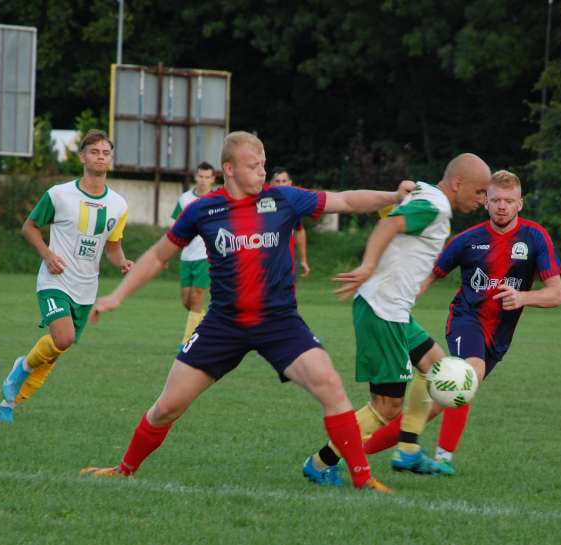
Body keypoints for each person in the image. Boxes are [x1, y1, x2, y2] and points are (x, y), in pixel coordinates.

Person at [79, 131, 412, 492]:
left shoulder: (283, 199)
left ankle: (363, 479)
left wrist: (393, 196)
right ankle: (124, 470)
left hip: (279, 322)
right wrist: (117, 296)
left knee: (331, 386)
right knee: (166, 408)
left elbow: (344, 200)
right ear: (229, 169)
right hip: (224, 324)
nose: (262, 173)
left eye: (264, 165)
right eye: (254, 166)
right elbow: (159, 256)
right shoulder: (203, 210)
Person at [361, 170, 561, 475]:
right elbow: (429, 275)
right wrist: (398, 301)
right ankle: (434, 456)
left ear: (520, 204)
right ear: (486, 202)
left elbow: (556, 295)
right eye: (495, 199)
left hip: (500, 336)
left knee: (440, 403)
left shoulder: (535, 237)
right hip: (466, 320)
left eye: (509, 201)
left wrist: (523, 298)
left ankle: (373, 450)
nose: (502, 206)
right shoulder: (467, 240)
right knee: (467, 376)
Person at [305, 153, 491, 479]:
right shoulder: (434, 205)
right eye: (479, 192)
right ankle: (320, 464)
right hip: (383, 310)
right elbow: (390, 223)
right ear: (458, 183)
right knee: (387, 407)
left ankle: (407, 451)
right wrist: (367, 266)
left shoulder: (425, 195)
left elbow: (391, 211)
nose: (482, 200)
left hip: (396, 311)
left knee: (436, 366)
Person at [0, 129, 133, 423]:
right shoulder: (59, 194)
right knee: (63, 337)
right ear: (82, 157)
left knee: (57, 350)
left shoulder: (119, 205)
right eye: (94, 152)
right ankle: (21, 369)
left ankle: (10, 402)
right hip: (54, 281)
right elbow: (29, 227)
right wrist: (48, 255)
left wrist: (123, 263)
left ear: (111, 159)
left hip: (86, 287)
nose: (100, 157)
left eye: (106, 153)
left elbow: (113, 247)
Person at [171, 161, 217, 348]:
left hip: (206, 256)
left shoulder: (217, 200)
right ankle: (208, 326)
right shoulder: (185, 199)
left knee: (197, 297)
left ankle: (188, 341)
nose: (204, 181)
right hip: (186, 257)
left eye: (208, 177)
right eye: (201, 176)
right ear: (195, 177)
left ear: (213, 179)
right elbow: (175, 227)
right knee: (187, 301)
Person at [269, 167, 310, 277]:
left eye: (284, 181)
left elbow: (299, 230)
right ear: (271, 184)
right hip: (265, 262)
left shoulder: (293, 206)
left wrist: (303, 260)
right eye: (277, 181)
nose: (281, 184)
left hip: (287, 262)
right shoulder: (262, 204)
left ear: (290, 183)